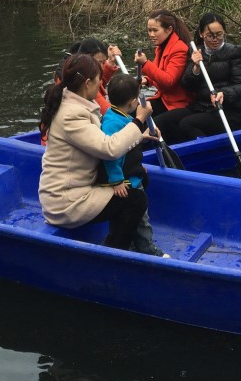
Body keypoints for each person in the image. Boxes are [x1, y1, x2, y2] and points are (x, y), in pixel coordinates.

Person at [39, 53, 155, 250]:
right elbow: (109, 149)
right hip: (66, 201)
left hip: (82, 187)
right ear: (87, 83)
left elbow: (100, 142)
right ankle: (116, 249)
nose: (101, 83)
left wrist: (139, 136)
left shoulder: (77, 105)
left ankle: (129, 241)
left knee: (139, 178)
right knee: (134, 199)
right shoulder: (71, 115)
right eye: (99, 79)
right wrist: (139, 120)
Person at [98, 73, 168, 257]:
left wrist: (143, 138)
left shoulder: (122, 116)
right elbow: (110, 155)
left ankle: (133, 244)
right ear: (132, 102)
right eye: (137, 98)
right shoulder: (112, 123)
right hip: (125, 181)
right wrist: (117, 180)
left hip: (132, 174)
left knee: (133, 215)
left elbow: (128, 143)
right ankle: (145, 247)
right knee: (139, 217)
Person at [156, 12, 241, 143]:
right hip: (201, 107)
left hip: (229, 111)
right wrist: (195, 68)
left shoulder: (234, 52)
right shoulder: (196, 52)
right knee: (161, 121)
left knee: (187, 124)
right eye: (210, 36)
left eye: (219, 34)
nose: (215, 39)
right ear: (201, 34)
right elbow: (187, 85)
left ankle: (207, 153)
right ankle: (176, 154)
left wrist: (224, 94)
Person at [133, 9, 194, 129]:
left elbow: (169, 80)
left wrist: (145, 63)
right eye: (149, 30)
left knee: (150, 125)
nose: (151, 34)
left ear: (169, 29)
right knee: (132, 112)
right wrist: (146, 80)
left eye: (155, 30)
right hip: (164, 99)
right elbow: (157, 71)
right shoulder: (161, 46)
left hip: (177, 104)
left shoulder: (179, 49)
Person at [54, 37, 122, 116]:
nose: (102, 67)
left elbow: (98, 83)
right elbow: (108, 113)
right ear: (86, 60)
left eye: (104, 62)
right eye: (99, 62)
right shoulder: (80, 83)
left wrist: (110, 61)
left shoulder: (79, 70)